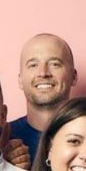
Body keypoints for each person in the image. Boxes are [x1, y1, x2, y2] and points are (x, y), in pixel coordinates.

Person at [9, 33, 78, 164]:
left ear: (73, 77)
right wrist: (0, 168)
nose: (43, 73)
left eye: (55, 64)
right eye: (33, 65)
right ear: (20, 80)